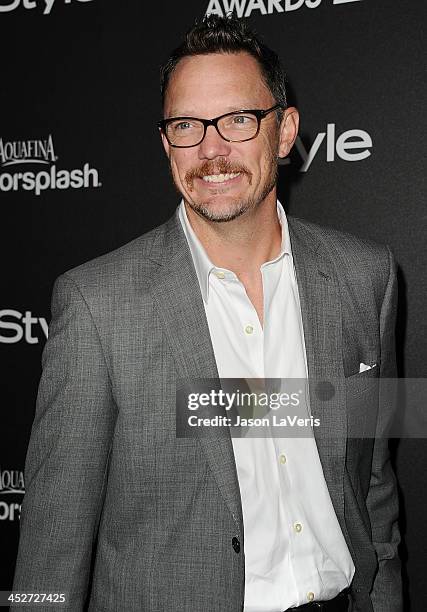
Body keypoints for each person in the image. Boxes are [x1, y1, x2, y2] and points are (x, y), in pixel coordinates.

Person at [13, 15, 401, 612]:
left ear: (283, 130)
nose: (212, 150)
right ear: (166, 141)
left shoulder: (364, 277)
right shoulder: (97, 305)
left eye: (240, 120)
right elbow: (50, 547)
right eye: (187, 125)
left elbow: (372, 483)